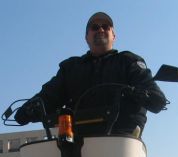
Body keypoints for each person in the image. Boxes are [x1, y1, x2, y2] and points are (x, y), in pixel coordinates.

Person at [15, 12, 168, 136]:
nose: (100, 29)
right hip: (77, 144)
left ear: (113, 36)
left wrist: (149, 95)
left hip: (120, 142)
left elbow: (149, 87)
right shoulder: (71, 68)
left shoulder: (128, 62)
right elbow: (49, 95)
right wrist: (28, 109)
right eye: (95, 27)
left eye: (106, 26)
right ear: (86, 37)